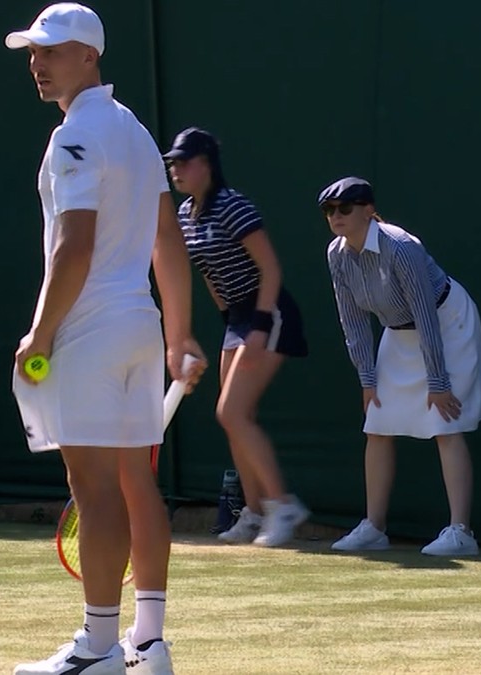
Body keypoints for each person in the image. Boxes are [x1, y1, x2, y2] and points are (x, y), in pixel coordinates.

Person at [5, 4, 205, 674]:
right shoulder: (136, 132)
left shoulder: (75, 138)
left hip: (91, 333)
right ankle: (148, 643)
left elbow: (74, 247)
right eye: (34, 52)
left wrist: (40, 333)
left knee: (94, 489)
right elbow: (165, 242)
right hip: (140, 330)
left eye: (52, 51)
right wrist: (178, 335)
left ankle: (97, 646)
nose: (38, 63)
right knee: (131, 484)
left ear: (89, 55)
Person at [319, 177, 481, 557]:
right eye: (330, 211)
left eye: (345, 208)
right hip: (397, 334)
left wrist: (438, 379)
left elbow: (425, 315)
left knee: (445, 424)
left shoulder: (401, 247)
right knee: (377, 425)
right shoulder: (336, 254)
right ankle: (374, 527)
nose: (336, 216)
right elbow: (351, 321)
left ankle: (461, 531)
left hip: (447, 322)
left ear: (368, 210)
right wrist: (367, 378)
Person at [162, 127, 309, 548]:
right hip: (237, 317)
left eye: (184, 161)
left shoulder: (233, 206)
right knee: (230, 418)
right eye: (172, 163)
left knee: (231, 412)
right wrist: (230, 320)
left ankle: (284, 506)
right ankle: (255, 511)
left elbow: (271, 268)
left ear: (206, 164)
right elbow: (209, 274)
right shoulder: (185, 215)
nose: (176, 170)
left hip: (269, 311)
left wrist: (259, 325)